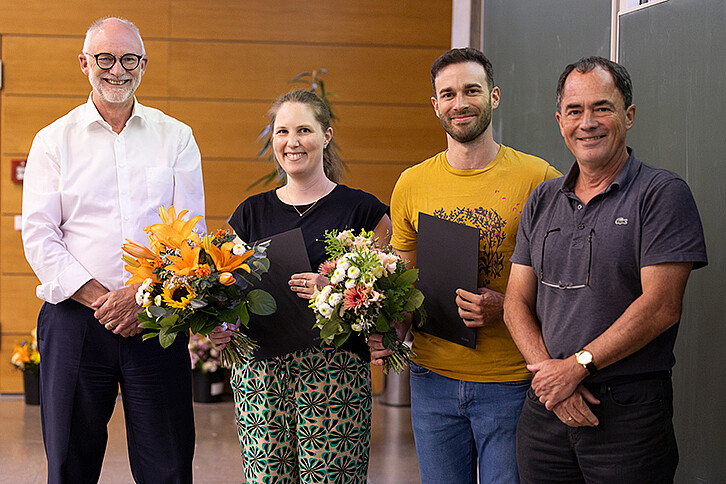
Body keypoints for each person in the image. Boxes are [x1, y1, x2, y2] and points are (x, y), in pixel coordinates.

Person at [503, 56, 708, 483]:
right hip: (545, 412)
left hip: (627, 416)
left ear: (628, 115)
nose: (587, 123)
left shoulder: (662, 194)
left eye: (602, 108)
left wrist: (576, 367)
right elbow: (515, 302)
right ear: (560, 121)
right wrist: (551, 380)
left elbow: (662, 306)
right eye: (575, 111)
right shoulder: (542, 199)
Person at [21, 17, 205, 484]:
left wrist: (142, 298)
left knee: (168, 464)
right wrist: (103, 298)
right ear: (84, 64)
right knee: (69, 464)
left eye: (129, 59)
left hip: (157, 320)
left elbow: (190, 233)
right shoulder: (52, 141)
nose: (116, 70)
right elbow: (40, 235)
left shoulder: (176, 137)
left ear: (143, 65)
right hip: (74, 323)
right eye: (105, 58)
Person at [369, 48, 560, 483]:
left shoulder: (539, 178)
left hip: (512, 382)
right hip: (432, 378)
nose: (461, 103)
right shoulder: (412, 183)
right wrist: (388, 331)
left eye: (471, 90)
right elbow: (404, 285)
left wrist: (506, 305)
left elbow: (566, 281)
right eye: (448, 94)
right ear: (435, 105)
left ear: (494, 96)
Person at [209, 89, 391, 484]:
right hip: (260, 374)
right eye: (282, 131)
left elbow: (387, 299)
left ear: (326, 136)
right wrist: (222, 326)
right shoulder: (249, 214)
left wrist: (336, 288)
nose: (292, 142)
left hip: (334, 374)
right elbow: (223, 289)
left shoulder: (364, 210)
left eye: (304, 130)